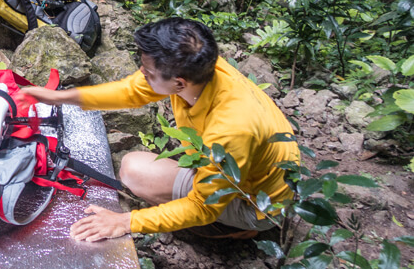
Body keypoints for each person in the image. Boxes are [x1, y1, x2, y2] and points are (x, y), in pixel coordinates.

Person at [20, 17, 299, 241]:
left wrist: (125, 222)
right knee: (137, 168)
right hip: (243, 168)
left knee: (135, 171)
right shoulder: (201, 68)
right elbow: (132, 91)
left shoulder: (231, 129)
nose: (141, 75)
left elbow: (204, 205)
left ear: (179, 84)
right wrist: (57, 98)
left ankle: (242, 230)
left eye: (148, 72)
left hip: (258, 202)